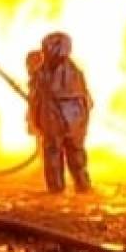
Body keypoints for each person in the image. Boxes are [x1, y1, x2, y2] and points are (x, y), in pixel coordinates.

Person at [29, 32, 93, 193]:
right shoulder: (76, 72)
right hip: (71, 123)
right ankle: (81, 187)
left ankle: (60, 190)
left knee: (56, 156)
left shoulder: (43, 73)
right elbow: (87, 101)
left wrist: (37, 120)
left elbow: (36, 99)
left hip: (55, 123)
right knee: (73, 156)